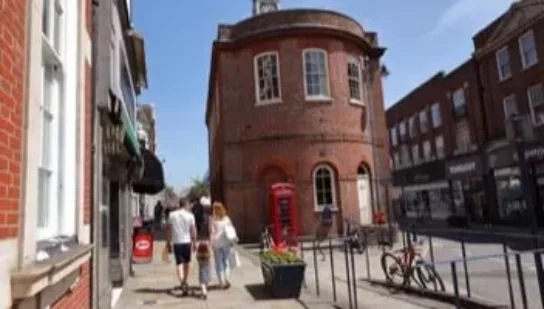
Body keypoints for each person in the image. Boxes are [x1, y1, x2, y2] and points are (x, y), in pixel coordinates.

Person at [166, 197, 197, 296]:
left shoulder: (172, 215)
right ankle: (184, 280)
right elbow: (193, 230)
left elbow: (169, 230)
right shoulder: (190, 216)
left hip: (177, 242)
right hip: (187, 242)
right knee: (187, 263)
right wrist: (195, 242)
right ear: (186, 205)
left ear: (179, 204)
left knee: (179, 263)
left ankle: (182, 282)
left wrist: (168, 241)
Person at [209, 202, 234, 289]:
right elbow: (231, 231)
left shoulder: (213, 220)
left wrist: (210, 243)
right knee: (226, 261)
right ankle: (227, 278)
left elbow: (212, 233)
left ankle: (221, 282)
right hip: (226, 243)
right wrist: (231, 242)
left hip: (216, 244)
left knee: (219, 263)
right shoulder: (227, 219)